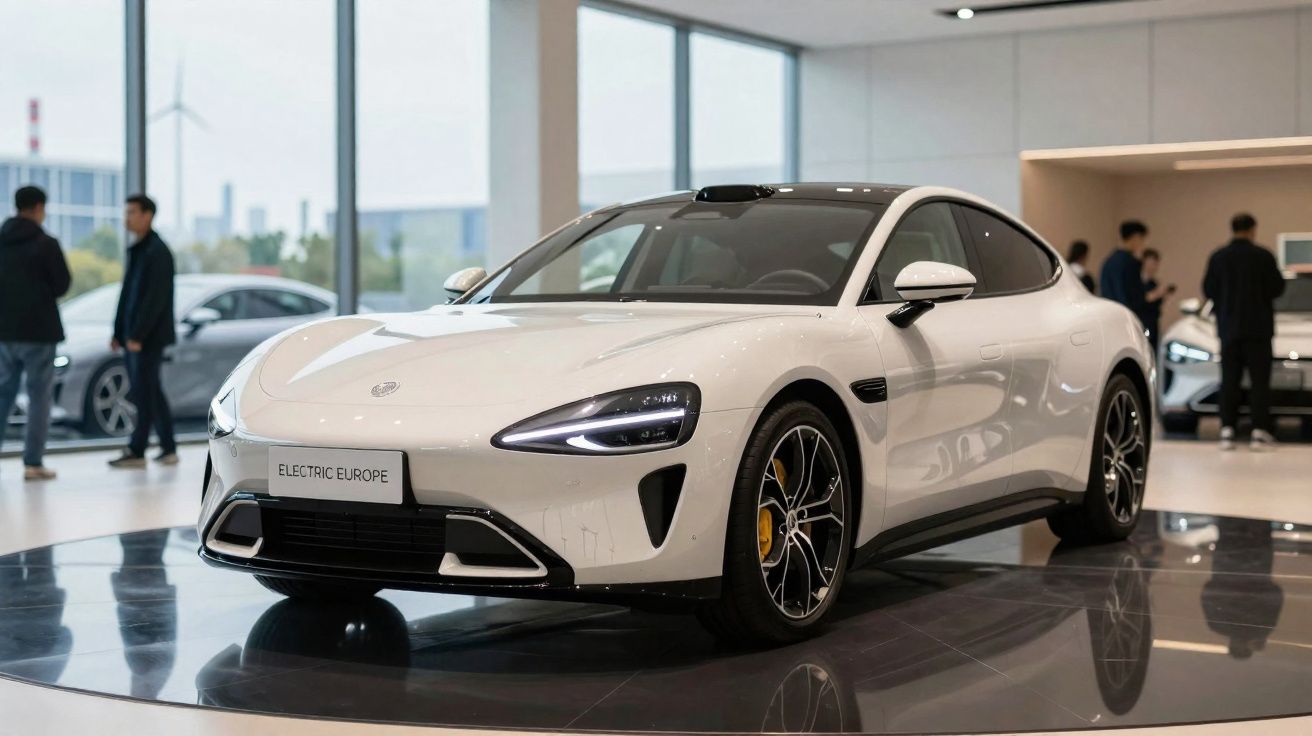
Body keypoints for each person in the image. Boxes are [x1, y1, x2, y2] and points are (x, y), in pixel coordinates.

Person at [0, 186, 71, 481]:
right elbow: (62, 285)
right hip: (39, 333)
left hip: (4, 331)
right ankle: (32, 463)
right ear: (39, 207)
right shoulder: (46, 243)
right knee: (39, 397)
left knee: (2, 395)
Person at [1203, 213, 1285, 452]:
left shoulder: (1218, 257)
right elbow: (1277, 288)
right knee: (1260, 382)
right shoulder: (1263, 256)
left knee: (1229, 381)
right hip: (1258, 330)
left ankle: (1227, 430)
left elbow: (1208, 289)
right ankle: (1259, 431)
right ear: (1252, 230)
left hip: (1228, 329)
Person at [109, 195, 178, 468]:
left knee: (143, 391)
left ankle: (137, 449)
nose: (127, 217)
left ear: (147, 215)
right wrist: (118, 331)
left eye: (132, 212)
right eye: (126, 212)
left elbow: (154, 300)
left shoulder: (157, 252)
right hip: (132, 336)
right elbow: (127, 295)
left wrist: (137, 335)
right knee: (150, 390)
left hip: (147, 338)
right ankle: (168, 446)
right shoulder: (138, 250)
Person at [1100, 220, 1172, 333]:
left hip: (1109, 317)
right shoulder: (1131, 263)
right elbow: (1136, 298)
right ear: (1136, 237)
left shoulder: (1109, 261)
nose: (1143, 244)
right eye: (1142, 239)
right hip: (1128, 320)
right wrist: (1155, 295)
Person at [1139, 248, 1175, 352]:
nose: (1153, 267)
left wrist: (1164, 296)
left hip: (1153, 321)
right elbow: (1143, 299)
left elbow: (1157, 304)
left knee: (1153, 350)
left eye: (1155, 263)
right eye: (1151, 263)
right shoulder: (1137, 284)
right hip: (1142, 321)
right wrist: (1158, 293)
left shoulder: (1154, 283)